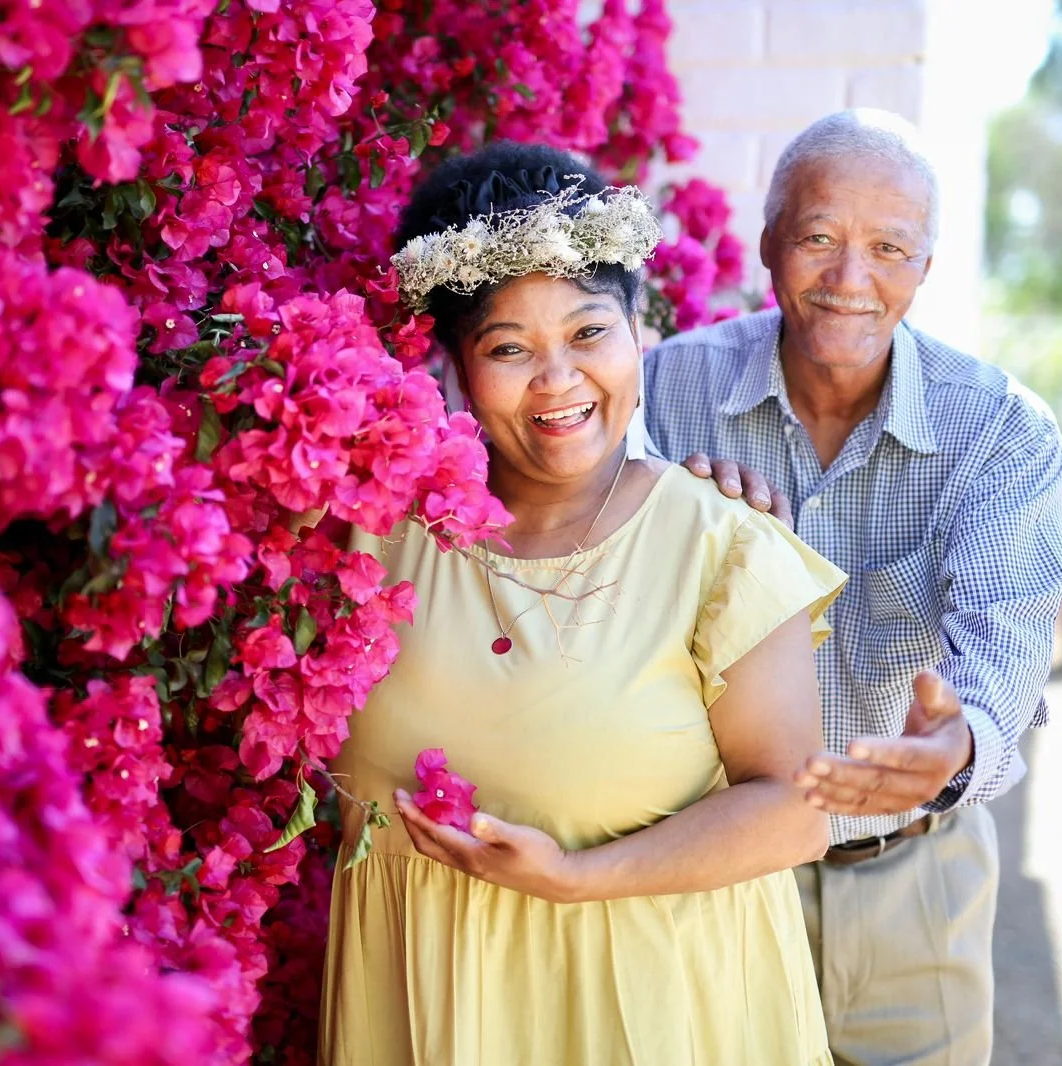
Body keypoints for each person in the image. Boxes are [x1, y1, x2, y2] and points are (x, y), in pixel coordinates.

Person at [315, 142, 847, 1066]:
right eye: (509, 348)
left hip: (655, 1008)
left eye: (588, 332)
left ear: (640, 330)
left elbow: (797, 810)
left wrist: (574, 878)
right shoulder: (370, 541)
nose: (557, 379)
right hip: (428, 1005)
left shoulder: (720, 542)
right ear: (450, 366)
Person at [645, 109, 1062, 1066]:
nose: (851, 279)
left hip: (915, 875)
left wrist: (956, 743)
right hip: (713, 876)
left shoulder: (1000, 433)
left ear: (925, 266)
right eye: (819, 239)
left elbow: (1004, 639)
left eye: (889, 248)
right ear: (767, 244)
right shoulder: (660, 394)